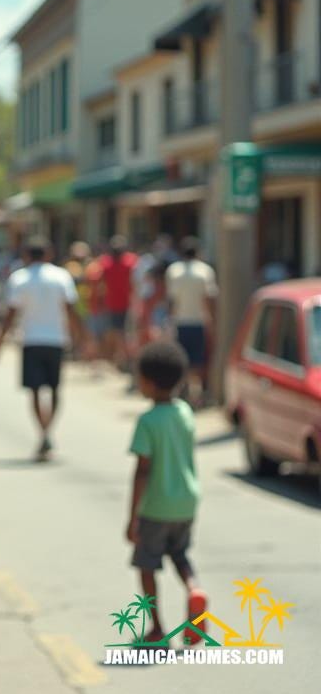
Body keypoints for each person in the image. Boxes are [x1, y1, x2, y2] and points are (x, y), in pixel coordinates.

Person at [126, 340, 207, 645]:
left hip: (157, 507)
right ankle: (194, 589)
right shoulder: (185, 412)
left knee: (146, 565)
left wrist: (133, 517)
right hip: (186, 502)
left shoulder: (147, 421)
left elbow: (142, 471)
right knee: (180, 555)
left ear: (148, 382)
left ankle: (157, 628)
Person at [0, 237, 82, 461]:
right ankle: (47, 430)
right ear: (49, 254)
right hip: (56, 340)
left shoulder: (19, 278)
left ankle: (43, 431)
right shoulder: (61, 276)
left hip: (31, 340)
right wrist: (82, 337)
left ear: (26, 255)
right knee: (55, 389)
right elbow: (70, 309)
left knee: (34, 391)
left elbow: (10, 314)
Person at [165, 237, 218, 408]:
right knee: (199, 360)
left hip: (180, 322)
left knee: (182, 359)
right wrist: (212, 322)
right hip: (199, 322)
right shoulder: (205, 271)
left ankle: (184, 391)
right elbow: (209, 298)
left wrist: (169, 322)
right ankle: (199, 394)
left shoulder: (174, 271)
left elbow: (172, 300)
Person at [97, 235, 138, 370]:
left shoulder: (106, 263)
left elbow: (100, 284)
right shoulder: (131, 262)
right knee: (123, 333)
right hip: (121, 303)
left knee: (120, 333)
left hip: (120, 303)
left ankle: (124, 358)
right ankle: (124, 358)